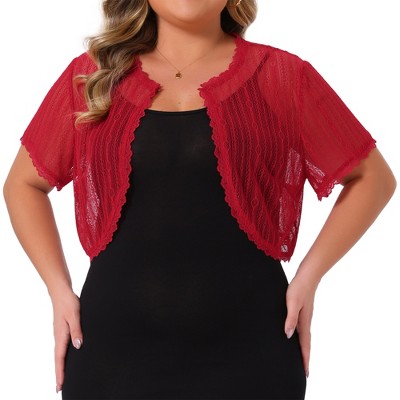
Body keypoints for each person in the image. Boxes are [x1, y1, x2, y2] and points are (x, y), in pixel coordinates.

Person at [3, 0, 396, 399]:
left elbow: (373, 179)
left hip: (253, 356)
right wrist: (58, 289)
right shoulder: (93, 76)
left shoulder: (282, 75)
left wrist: (308, 278)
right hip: (110, 357)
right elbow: (22, 185)